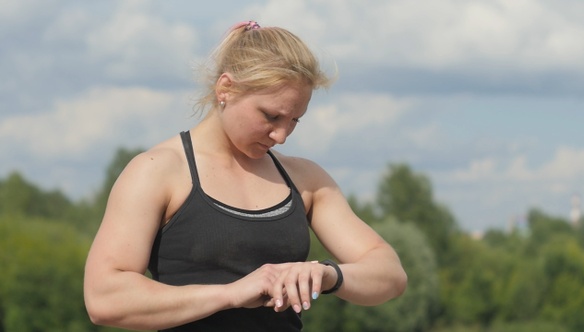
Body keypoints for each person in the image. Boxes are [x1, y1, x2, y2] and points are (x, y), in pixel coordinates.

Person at [83, 20, 407, 331]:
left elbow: (390, 275)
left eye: (295, 120)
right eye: (271, 116)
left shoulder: (305, 179)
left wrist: (325, 275)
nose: (281, 135)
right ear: (226, 88)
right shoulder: (156, 171)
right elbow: (104, 299)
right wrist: (231, 294)